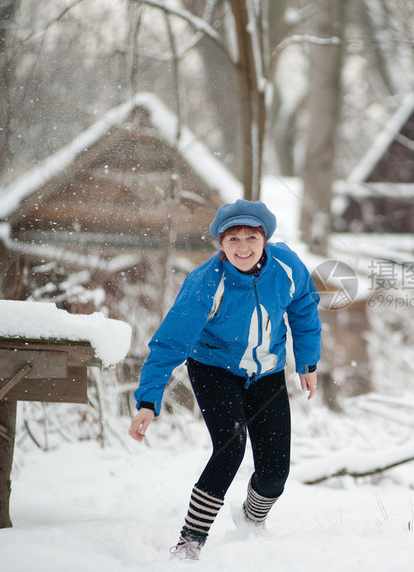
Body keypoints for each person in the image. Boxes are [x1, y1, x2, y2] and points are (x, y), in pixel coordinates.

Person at [128, 199, 321, 560]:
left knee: (274, 473)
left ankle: (251, 522)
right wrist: (148, 400)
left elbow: (304, 307)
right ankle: (190, 541)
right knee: (231, 447)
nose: (243, 247)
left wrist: (307, 362)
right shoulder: (205, 282)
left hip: (267, 370)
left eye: (251, 237)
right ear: (221, 244)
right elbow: (170, 343)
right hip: (213, 368)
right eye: (233, 239)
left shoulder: (286, 266)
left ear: (265, 239)